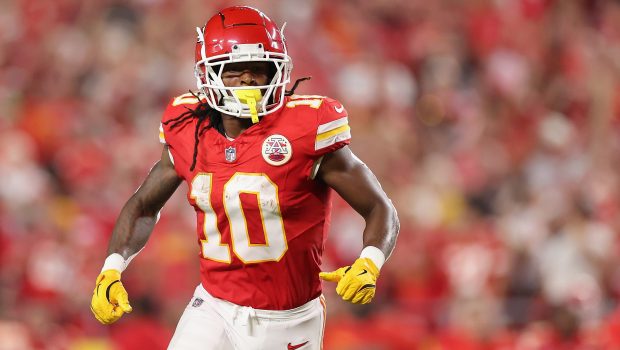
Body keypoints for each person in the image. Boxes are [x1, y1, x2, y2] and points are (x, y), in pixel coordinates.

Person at [90, 6, 399, 350]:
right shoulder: (187, 125)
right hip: (213, 307)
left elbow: (379, 208)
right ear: (208, 75)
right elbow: (144, 205)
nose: (249, 79)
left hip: (288, 319)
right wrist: (112, 267)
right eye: (235, 71)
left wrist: (369, 262)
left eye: (261, 69)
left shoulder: (307, 129)